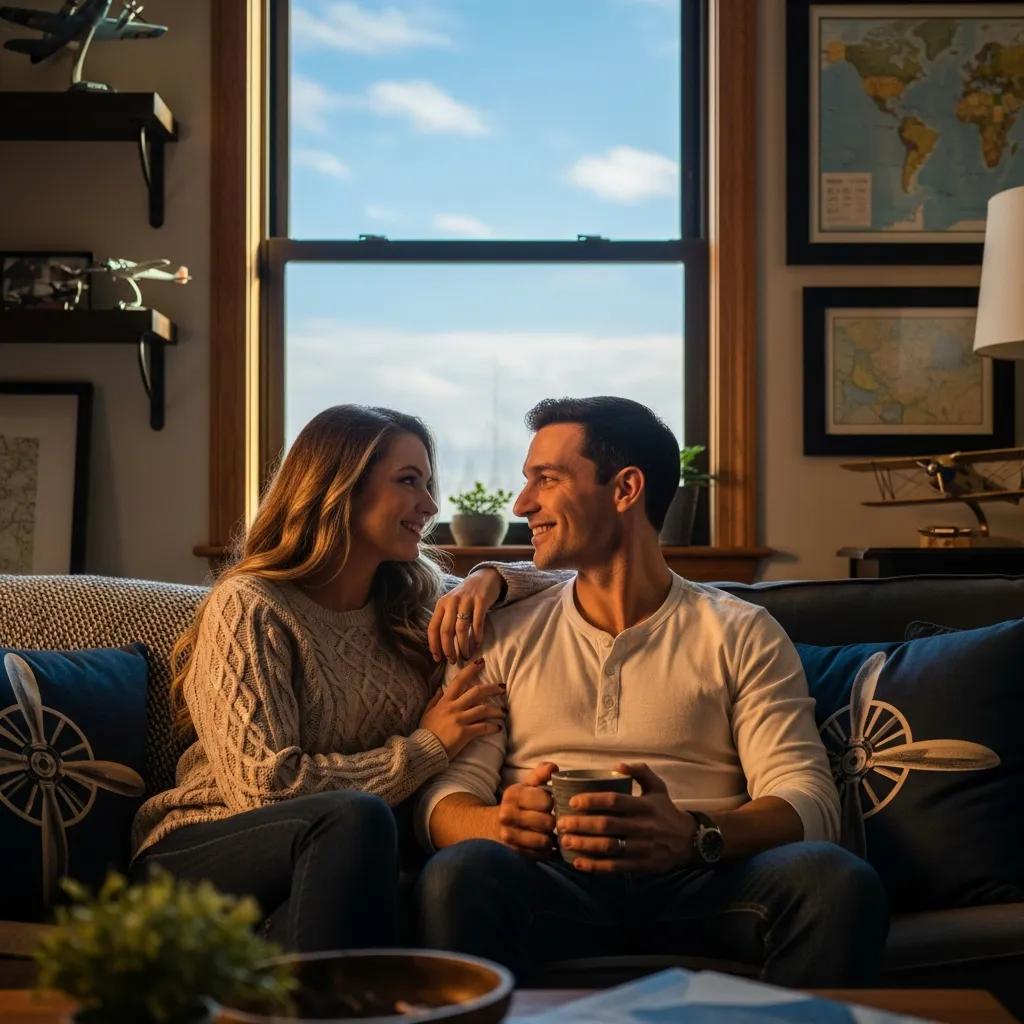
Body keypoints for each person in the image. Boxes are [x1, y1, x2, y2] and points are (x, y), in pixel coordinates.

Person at [414, 397, 888, 986]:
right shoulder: (504, 630)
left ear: (625, 488)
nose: (522, 504)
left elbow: (808, 801)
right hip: (551, 880)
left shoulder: (741, 631)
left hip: (708, 883)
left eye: (547, 479)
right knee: (460, 872)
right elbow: (445, 799)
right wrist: (500, 826)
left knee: (836, 880)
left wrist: (694, 836)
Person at [131, 404, 553, 952]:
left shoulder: (415, 603)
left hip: (339, 860)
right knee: (355, 818)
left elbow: (569, 580)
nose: (429, 505)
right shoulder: (252, 606)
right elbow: (265, 791)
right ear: (340, 489)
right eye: (409, 482)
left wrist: (489, 580)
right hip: (202, 852)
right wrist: (427, 747)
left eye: (429, 484)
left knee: (398, 868)